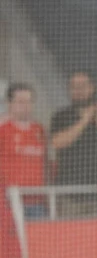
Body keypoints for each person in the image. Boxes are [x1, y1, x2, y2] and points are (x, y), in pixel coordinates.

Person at [0, 83, 47, 218]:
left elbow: (46, 164)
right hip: (8, 202)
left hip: (37, 202)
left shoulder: (39, 130)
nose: (26, 106)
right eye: (20, 102)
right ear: (9, 103)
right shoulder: (3, 129)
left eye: (29, 101)